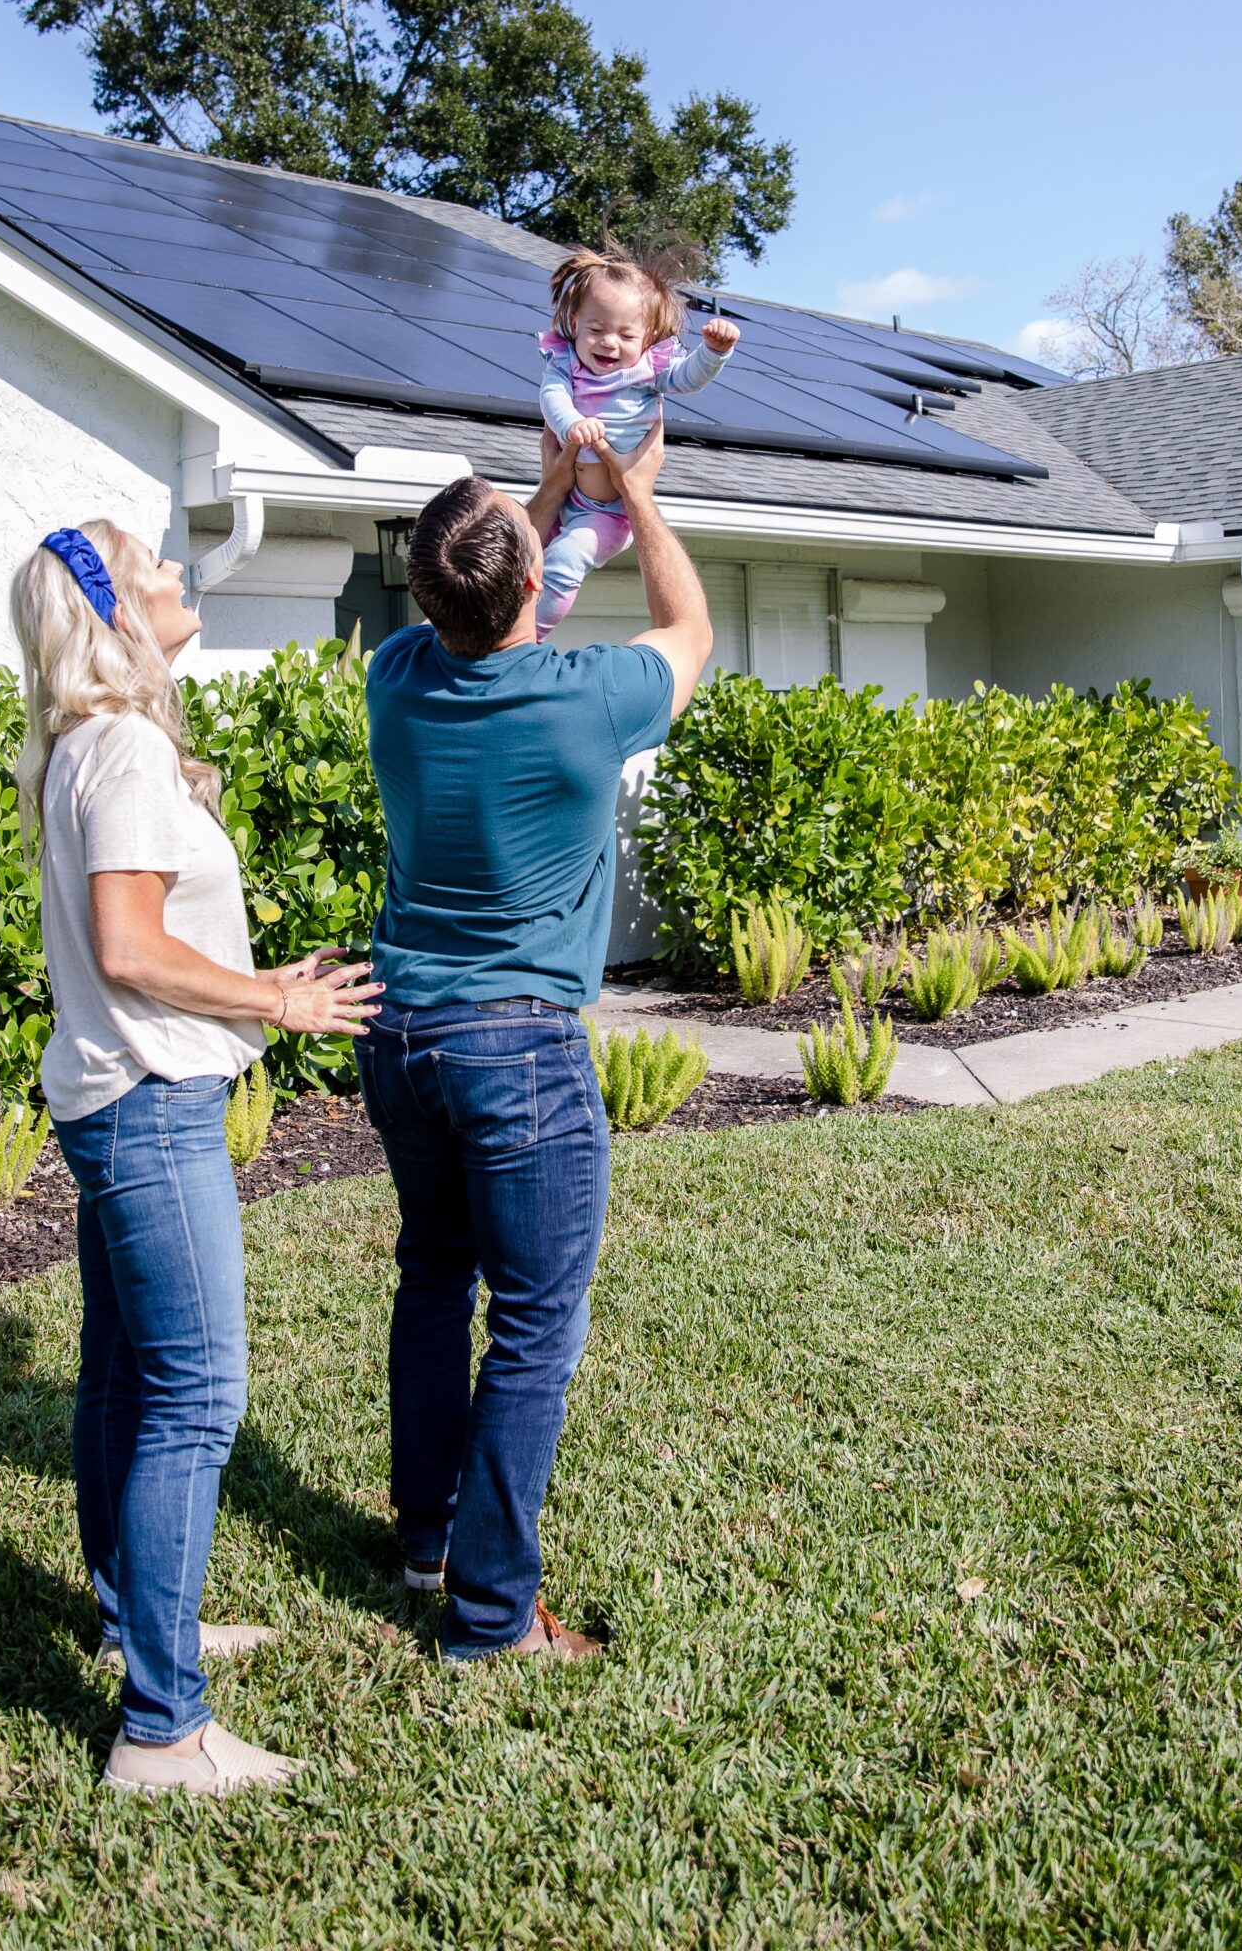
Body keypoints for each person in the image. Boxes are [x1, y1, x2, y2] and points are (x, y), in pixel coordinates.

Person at [9, 520, 379, 1796]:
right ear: (114, 610)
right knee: (196, 1397)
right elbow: (129, 946)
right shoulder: (116, 747)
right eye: (155, 564)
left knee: (122, 1378)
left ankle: (132, 1623)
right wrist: (274, 1004)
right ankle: (163, 1727)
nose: (180, 576)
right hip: (153, 1104)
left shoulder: (92, 744)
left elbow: (143, 943)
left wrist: (250, 984)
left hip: (122, 1091)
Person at [361, 423, 713, 1662]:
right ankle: (493, 1615)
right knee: (531, 1327)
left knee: (431, 1276)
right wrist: (640, 503)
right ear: (530, 586)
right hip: (518, 1050)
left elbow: (486, 596)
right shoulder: (589, 698)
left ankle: (424, 1535)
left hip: (399, 1037)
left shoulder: (394, 679)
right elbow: (691, 631)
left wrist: (554, 494)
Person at [535, 249, 739, 635]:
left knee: (563, 559)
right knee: (517, 556)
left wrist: (713, 352)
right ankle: (495, 632)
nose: (609, 343)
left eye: (627, 335)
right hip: (565, 499)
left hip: (609, 513)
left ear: (647, 338)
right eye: (596, 330)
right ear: (575, 323)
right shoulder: (564, 362)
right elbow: (552, 397)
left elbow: (687, 379)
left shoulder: (648, 370)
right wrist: (571, 423)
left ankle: (531, 637)